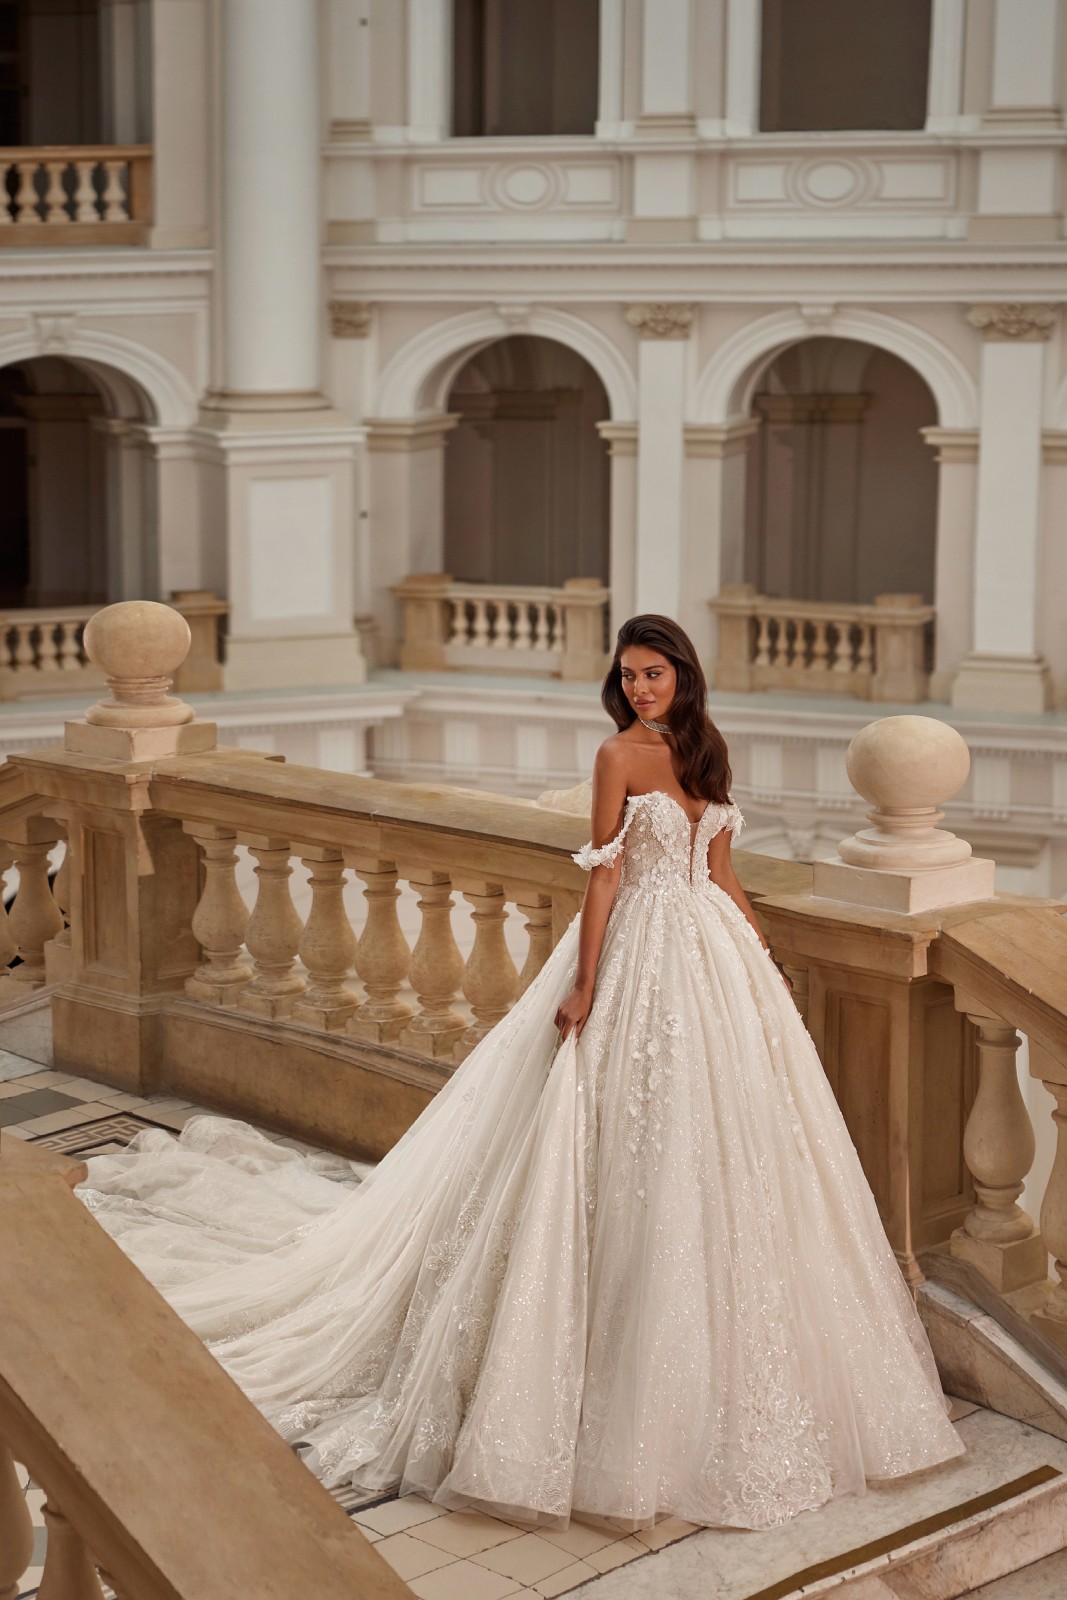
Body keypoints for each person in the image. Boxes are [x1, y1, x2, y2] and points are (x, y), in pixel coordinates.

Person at [78, 614, 964, 1532]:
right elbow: (604, 879)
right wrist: (585, 982)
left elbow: (722, 870)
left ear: (682, 678)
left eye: (653, 674)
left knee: (731, 1149)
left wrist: (762, 947)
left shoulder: (704, 751)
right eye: (628, 676)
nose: (639, 689)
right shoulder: (616, 755)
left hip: (712, 955)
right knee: (625, 1139)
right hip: (638, 955)